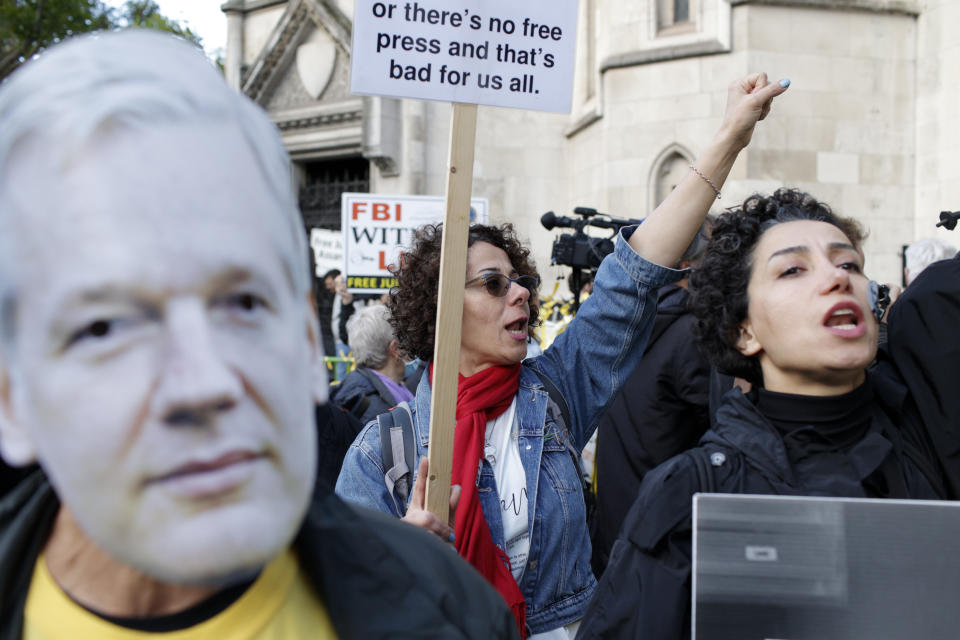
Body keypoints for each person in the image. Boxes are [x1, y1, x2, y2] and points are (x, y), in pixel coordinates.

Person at [0, 30, 519, 639]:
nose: (205, 383)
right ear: (11, 397)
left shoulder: (452, 612)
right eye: (104, 327)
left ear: (305, 339)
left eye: (243, 303)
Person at [336, 73, 791, 637]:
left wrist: (730, 136)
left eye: (520, 278)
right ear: (441, 309)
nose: (522, 291)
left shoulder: (552, 395)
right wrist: (398, 563)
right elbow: (340, 604)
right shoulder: (381, 452)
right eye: (493, 283)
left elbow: (635, 275)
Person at [578, 187, 960, 639]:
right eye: (794, 269)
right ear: (744, 331)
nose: (837, 279)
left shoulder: (926, 434)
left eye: (849, 263)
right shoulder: (693, 493)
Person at [588, 218, 714, 577]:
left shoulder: (622, 322)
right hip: (666, 544)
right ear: (690, 265)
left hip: (619, 533)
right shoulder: (694, 334)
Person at [332, 304, 414, 425]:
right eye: (404, 342)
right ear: (395, 348)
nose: (408, 351)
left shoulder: (363, 389)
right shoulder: (379, 412)